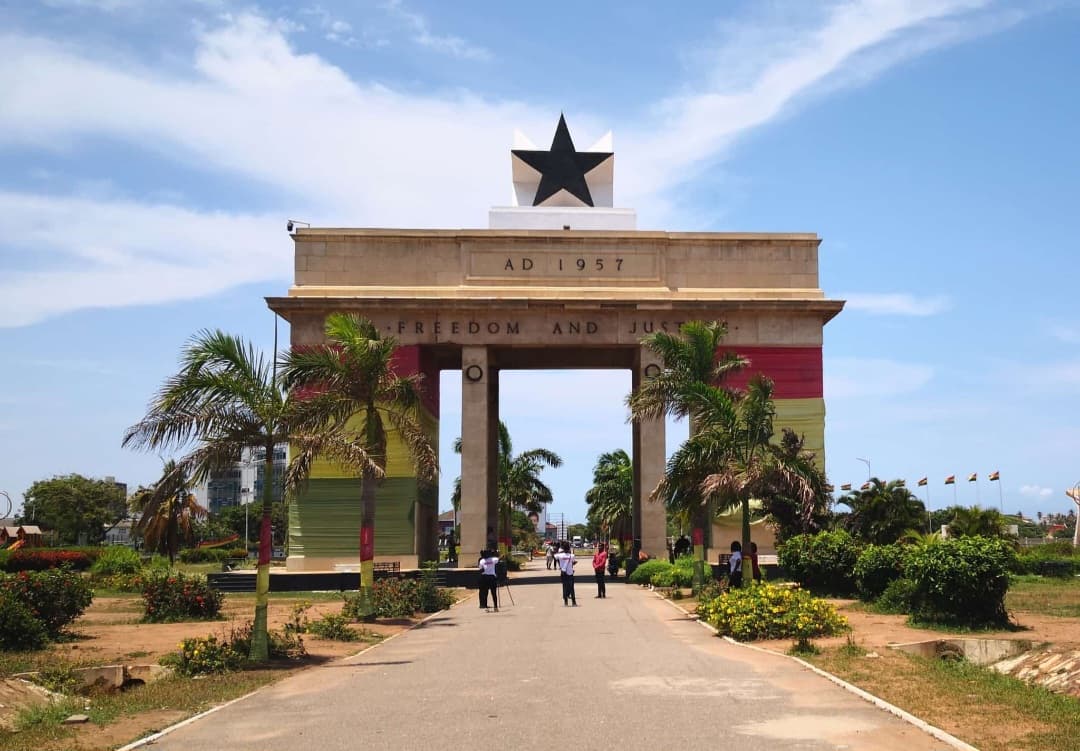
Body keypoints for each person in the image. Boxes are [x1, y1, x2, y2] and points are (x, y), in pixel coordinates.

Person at [554, 541, 577, 606]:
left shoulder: (559, 555)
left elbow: (555, 556)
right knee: (571, 588)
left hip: (563, 573)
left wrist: (561, 553)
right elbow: (573, 562)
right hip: (570, 573)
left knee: (564, 587)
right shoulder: (572, 555)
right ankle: (574, 602)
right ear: (569, 548)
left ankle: (566, 602)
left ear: (563, 548)